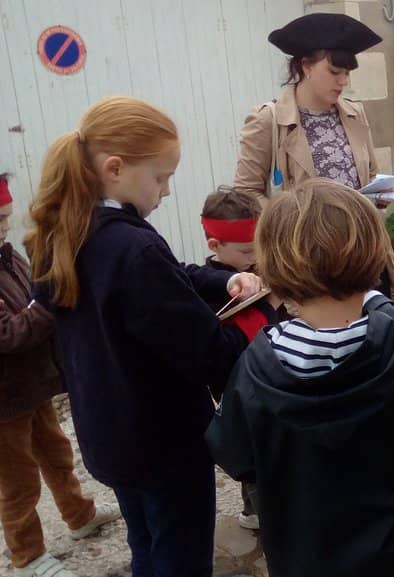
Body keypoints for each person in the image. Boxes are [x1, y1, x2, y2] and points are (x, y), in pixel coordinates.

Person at [25, 96, 267, 577]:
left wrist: (224, 281)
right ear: (115, 169)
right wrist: (263, 322)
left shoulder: (69, 230)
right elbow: (208, 354)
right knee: (181, 553)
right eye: (161, 177)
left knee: (146, 543)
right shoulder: (131, 247)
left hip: (109, 432)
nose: (167, 191)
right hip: (163, 442)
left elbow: (171, 276)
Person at [206, 178, 394, 577]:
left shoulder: (257, 366)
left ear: (272, 267)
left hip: (310, 553)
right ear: (375, 255)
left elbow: (235, 456)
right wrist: (371, 296)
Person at [0, 173, 121, 577]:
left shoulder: (8, 255)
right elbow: (8, 333)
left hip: (32, 386)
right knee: (17, 482)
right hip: (3, 401)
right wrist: (47, 304)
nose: (4, 228)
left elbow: (33, 290)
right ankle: (28, 555)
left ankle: (79, 515)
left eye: (6, 217)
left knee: (56, 454)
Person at [233, 12, 394, 297]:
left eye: (347, 73)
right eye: (334, 72)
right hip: (309, 261)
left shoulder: (354, 112)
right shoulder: (268, 119)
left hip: (363, 254)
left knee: (376, 335)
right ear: (306, 66)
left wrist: (381, 193)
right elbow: (246, 192)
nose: (343, 81)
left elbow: (370, 175)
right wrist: (297, 221)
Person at [198, 186, 282, 531]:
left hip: (272, 378)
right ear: (215, 246)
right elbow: (215, 351)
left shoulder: (257, 268)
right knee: (254, 454)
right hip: (237, 387)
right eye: (247, 249)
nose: (254, 256)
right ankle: (264, 514)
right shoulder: (206, 291)